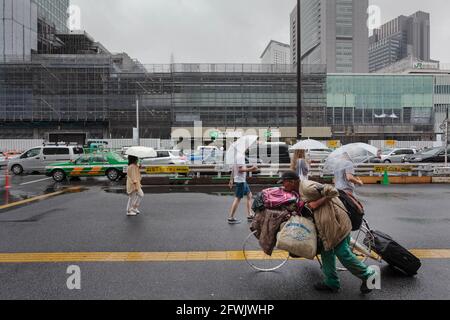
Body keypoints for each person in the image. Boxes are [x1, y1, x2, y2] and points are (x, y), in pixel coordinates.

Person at [301, 181, 376, 295]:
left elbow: (312, 205)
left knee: (343, 254)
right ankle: (331, 282)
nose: (284, 186)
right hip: (338, 223)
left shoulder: (308, 189)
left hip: (336, 227)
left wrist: (319, 200)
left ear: (292, 181)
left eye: (285, 182)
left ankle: (368, 274)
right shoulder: (308, 187)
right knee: (326, 252)